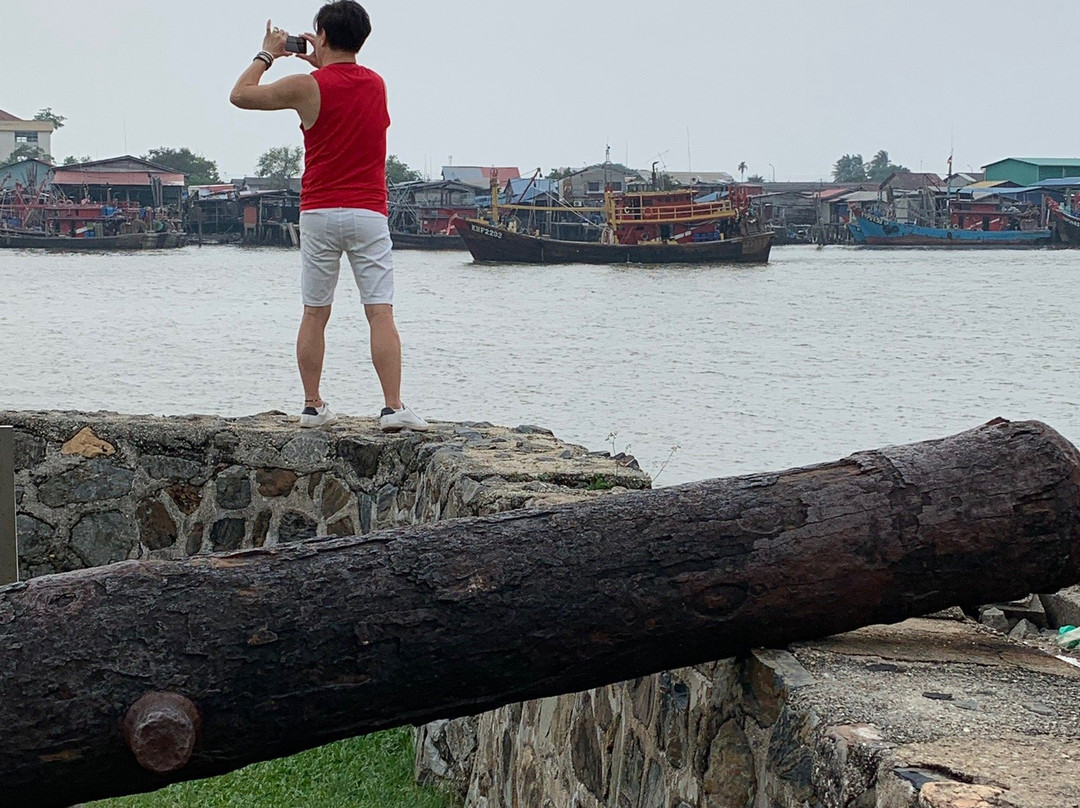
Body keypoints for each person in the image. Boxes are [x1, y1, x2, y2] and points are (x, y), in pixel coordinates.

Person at [229, 1, 428, 432]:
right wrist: (322, 56)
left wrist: (268, 53)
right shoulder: (377, 84)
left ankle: (313, 406)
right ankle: (393, 408)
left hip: (319, 211)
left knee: (315, 312)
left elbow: (240, 95)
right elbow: (345, 80)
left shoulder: (306, 85)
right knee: (380, 312)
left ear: (320, 34)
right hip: (368, 212)